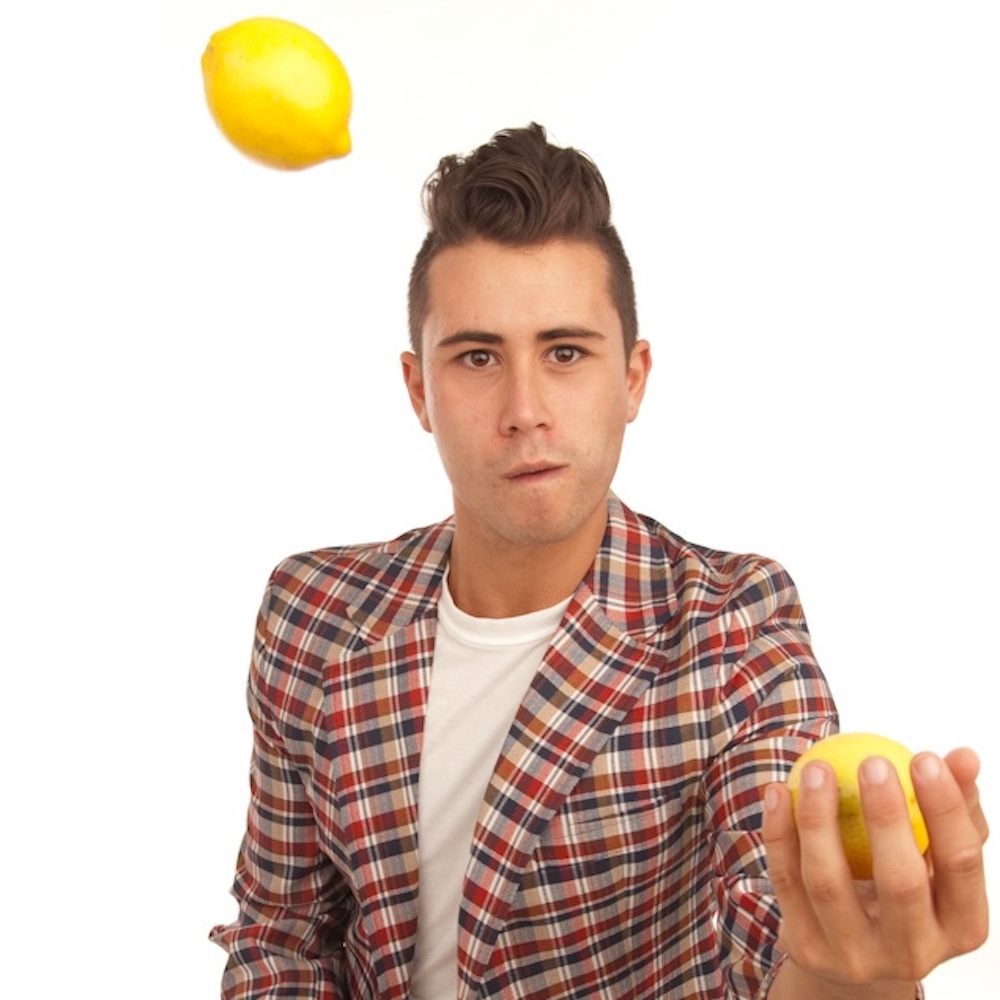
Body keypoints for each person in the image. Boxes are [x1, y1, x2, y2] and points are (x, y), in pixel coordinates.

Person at [210, 124, 988, 999]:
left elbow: (773, 925)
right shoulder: (312, 612)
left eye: (566, 352)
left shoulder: (736, 622)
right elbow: (281, 936)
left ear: (633, 378)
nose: (525, 409)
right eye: (477, 357)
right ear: (419, 389)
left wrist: (854, 969)